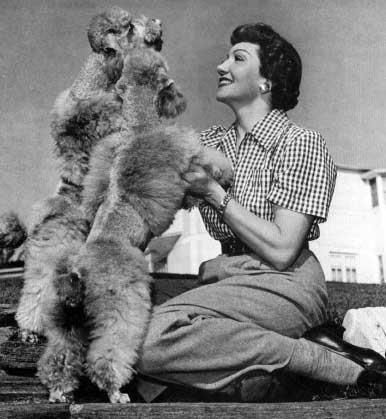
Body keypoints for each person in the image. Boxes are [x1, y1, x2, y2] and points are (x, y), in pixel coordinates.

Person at [136, 23, 386, 402]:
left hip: (285, 280)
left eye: (237, 58)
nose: (221, 66)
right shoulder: (207, 144)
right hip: (225, 277)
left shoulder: (299, 143)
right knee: (126, 346)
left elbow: (283, 248)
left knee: (141, 339)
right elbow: (146, 183)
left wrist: (214, 193)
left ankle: (315, 359)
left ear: (266, 81)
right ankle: (262, 375)